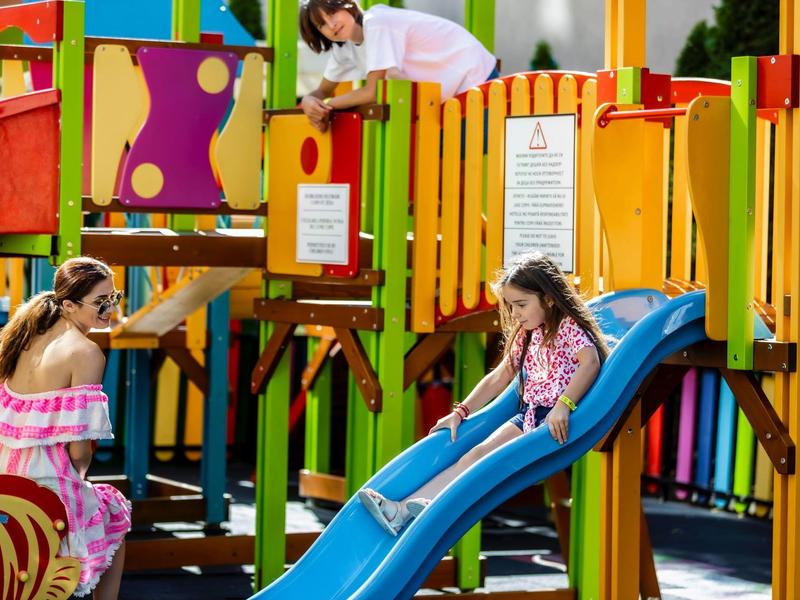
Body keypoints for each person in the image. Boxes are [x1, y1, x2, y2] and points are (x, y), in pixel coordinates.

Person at [358, 252, 609, 536]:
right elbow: (500, 376)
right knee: (473, 455)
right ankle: (400, 511)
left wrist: (564, 405)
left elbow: (590, 362)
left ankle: (435, 507)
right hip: (530, 416)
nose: (515, 314)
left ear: (549, 298)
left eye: (521, 305)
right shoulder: (529, 333)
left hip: (552, 421)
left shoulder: (567, 326)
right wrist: (460, 412)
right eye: (511, 306)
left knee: (484, 466)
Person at [0, 257, 131, 599]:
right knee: (114, 515)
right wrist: (81, 478)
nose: (110, 309)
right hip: (47, 484)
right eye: (101, 302)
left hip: (5, 478)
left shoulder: (24, 338)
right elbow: (78, 451)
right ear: (70, 305)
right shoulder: (86, 352)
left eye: (114, 297)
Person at [298, 0, 498, 132]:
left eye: (332, 13)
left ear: (347, 5)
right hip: (449, 96)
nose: (331, 24)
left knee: (463, 161)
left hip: (474, 78)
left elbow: (373, 92)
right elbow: (322, 90)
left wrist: (326, 107)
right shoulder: (344, 48)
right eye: (321, 24)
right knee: (441, 160)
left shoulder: (377, 23)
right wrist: (309, 101)